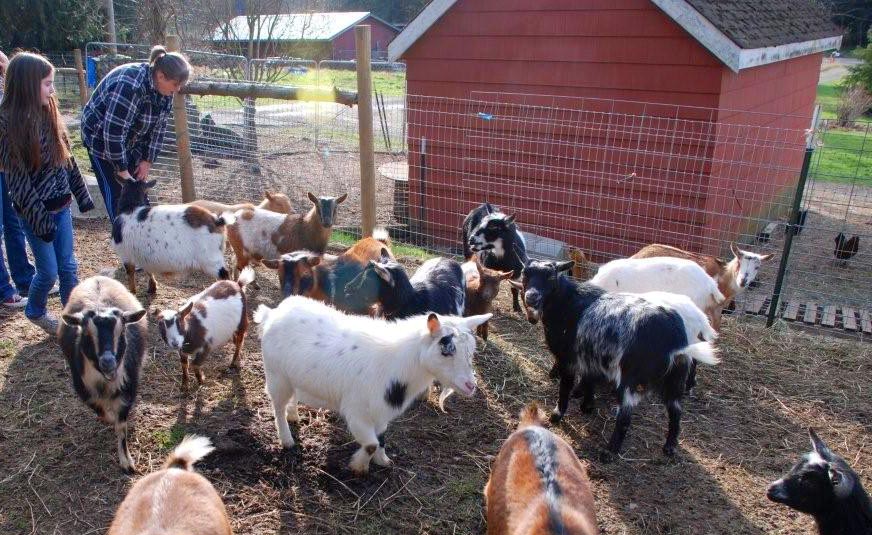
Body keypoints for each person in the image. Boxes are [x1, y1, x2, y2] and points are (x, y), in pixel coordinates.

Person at [0, 52, 94, 333]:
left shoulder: (48, 110)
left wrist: (81, 193)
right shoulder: (7, 124)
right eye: (47, 83)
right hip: (35, 213)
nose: (52, 90)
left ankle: (73, 321)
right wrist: (40, 220)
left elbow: (66, 155)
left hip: (61, 205)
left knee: (68, 267)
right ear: (29, 84)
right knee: (49, 271)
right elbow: (17, 182)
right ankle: (36, 310)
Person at [81, 45, 190, 220]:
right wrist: (122, 170)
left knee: (139, 192)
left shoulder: (165, 91)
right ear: (161, 76)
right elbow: (113, 133)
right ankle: (120, 237)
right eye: (176, 84)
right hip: (100, 139)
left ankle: (142, 237)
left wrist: (147, 160)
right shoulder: (131, 86)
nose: (178, 89)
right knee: (118, 194)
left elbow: (159, 129)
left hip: (132, 140)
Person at [0, 49, 36, 308]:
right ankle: (3, 288)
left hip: (6, 169)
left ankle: (25, 278)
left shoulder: (7, 94)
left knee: (13, 222)